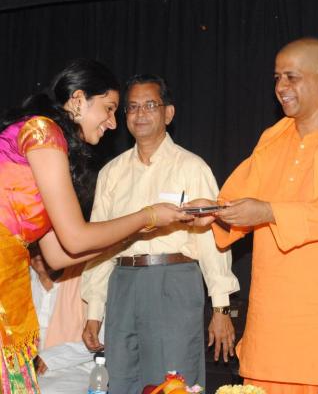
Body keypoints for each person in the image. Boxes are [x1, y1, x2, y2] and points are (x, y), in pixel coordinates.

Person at [188, 38, 318, 394]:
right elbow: (236, 200)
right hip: (273, 322)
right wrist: (211, 213)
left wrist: (270, 211)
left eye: (291, 77)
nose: (281, 88)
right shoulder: (273, 139)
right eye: (277, 78)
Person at [0, 60, 190, 393]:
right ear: (77, 100)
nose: (113, 123)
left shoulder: (44, 143)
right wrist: (147, 217)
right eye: (109, 108)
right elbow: (75, 238)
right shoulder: (42, 132)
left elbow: (58, 256)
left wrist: (131, 236)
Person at [81, 74, 240, 394]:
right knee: (121, 379)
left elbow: (211, 241)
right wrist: (94, 310)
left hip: (174, 281)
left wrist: (221, 307)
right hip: (122, 283)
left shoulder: (192, 167)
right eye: (133, 107)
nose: (140, 114)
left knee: (174, 382)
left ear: (168, 113)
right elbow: (98, 244)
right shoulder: (112, 173)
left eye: (150, 105)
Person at [30, 250, 97, 394]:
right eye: (35, 246)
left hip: (74, 368)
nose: (39, 254)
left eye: (45, 247)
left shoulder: (88, 275)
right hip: (22, 369)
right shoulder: (18, 281)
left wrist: (52, 357)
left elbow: (102, 338)